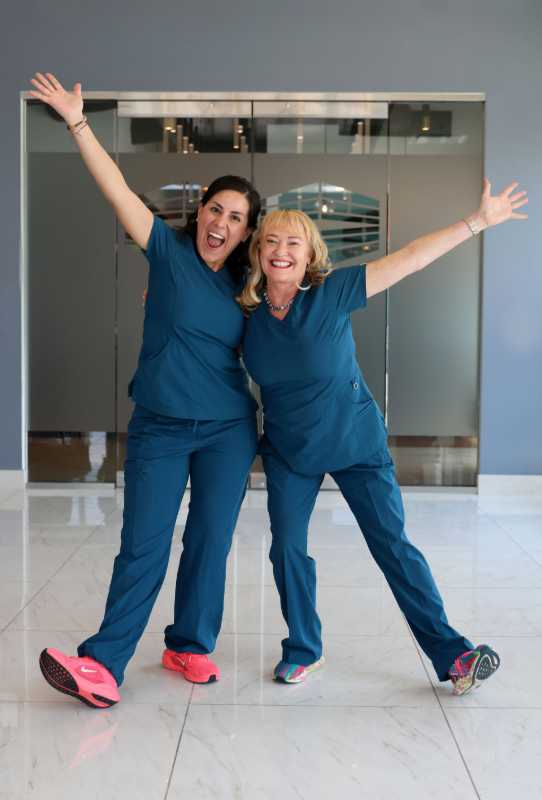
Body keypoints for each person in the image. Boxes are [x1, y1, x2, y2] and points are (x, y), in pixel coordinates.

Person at [238, 182, 527, 695]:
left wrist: (478, 221)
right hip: (289, 450)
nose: (281, 251)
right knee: (286, 546)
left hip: (356, 442)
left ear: (310, 257)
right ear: (259, 251)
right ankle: (304, 648)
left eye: (294, 244)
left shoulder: (332, 293)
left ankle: (455, 655)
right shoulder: (246, 313)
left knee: (392, 545)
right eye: (272, 242)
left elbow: (411, 259)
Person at [30, 72, 260, 708]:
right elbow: (116, 188)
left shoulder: (249, 287)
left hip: (227, 430)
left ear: (246, 233)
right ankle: (102, 664)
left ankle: (189, 643)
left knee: (210, 542)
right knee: (144, 546)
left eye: (237, 219)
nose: (223, 222)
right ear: (201, 210)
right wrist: (78, 121)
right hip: (159, 423)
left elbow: (290, 329)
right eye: (217, 208)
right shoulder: (166, 249)